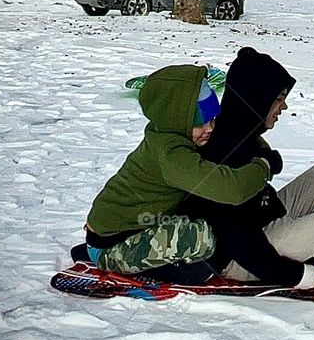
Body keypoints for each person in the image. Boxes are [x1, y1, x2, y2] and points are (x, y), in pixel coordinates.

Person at [180, 46, 314, 288]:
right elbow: (236, 236)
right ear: (257, 99)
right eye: (278, 99)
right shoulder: (222, 150)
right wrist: (291, 274)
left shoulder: (241, 130)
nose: (283, 107)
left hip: (263, 220)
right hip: (240, 257)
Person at [81, 64, 277, 277]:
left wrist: (261, 150)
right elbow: (232, 189)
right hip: (111, 245)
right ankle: (168, 271)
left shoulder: (174, 132)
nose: (210, 128)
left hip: (130, 228)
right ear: (179, 120)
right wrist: (263, 166)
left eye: (212, 119)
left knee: (207, 220)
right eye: (202, 123)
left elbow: (235, 134)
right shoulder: (172, 154)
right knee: (203, 238)